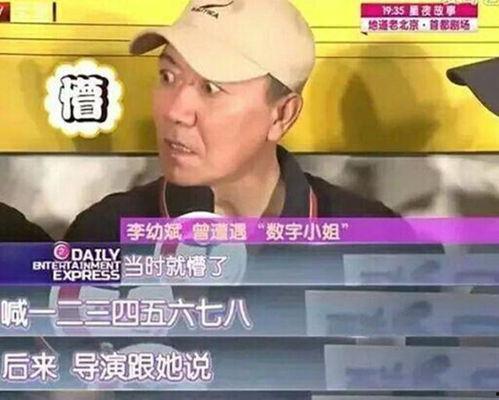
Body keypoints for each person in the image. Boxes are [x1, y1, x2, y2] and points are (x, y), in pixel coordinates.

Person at [64, 0, 400, 243]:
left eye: (211, 88)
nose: (176, 111)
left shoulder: (377, 240)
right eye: (168, 76)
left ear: (282, 115)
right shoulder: (102, 235)